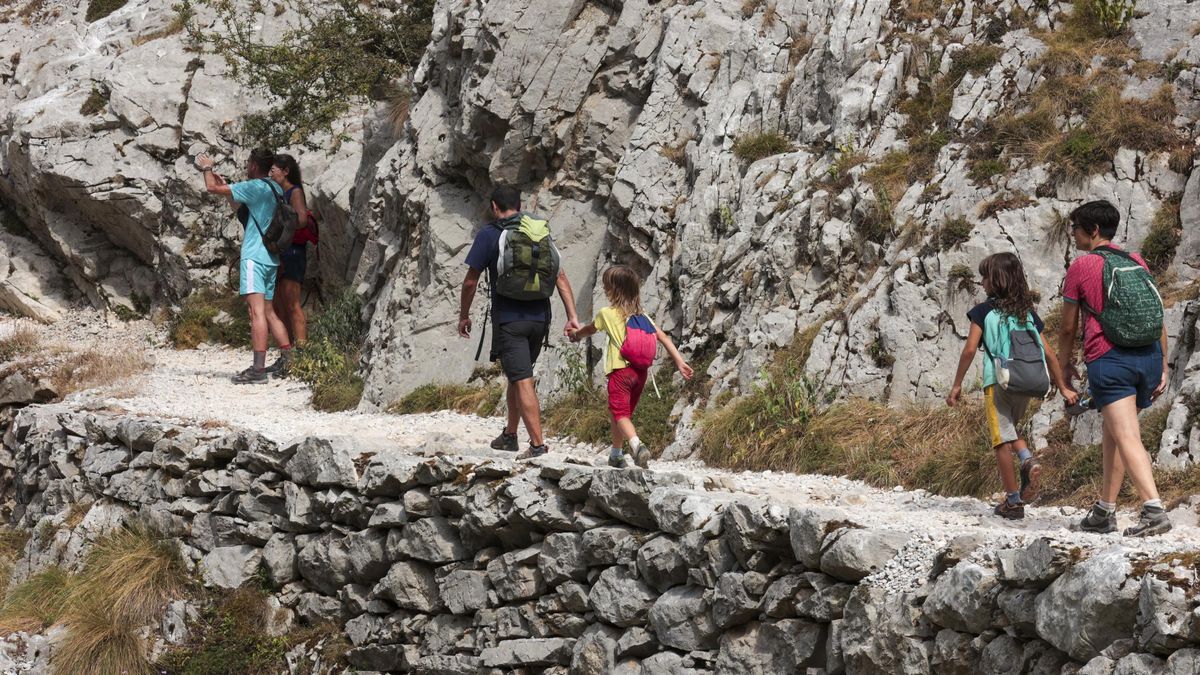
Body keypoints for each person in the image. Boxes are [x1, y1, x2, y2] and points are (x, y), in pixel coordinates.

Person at [1058, 200, 1171, 537]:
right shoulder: (1136, 261)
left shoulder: (1082, 266)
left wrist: (1063, 367)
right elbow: (1156, 313)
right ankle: (1104, 510)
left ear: (1093, 231)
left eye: (1076, 228)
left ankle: (1154, 510)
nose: (1073, 234)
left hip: (1111, 360)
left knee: (1126, 435)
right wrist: (1162, 364)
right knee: (1115, 431)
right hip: (1147, 357)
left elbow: (1066, 328)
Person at [947, 252, 1075, 520]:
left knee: (1000, 441)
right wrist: (1062, 387)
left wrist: (957, 384)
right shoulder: (1027, 313)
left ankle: (1013, 500)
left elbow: (970, 349)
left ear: (996, 280)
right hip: (1026, 382)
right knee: (1010, 431)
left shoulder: (983, 312)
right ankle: (1027, 460)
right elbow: (1049, 352)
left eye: (984, 276)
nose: (981, 282)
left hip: (999, 382)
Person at [457, 185, 582, 460]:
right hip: (541, 320)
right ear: (521, 204)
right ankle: (510, 435)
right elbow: (560, 277)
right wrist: (573, 317)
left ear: (494, 206)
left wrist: (464, 315)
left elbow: (470, 281)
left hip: (511, 321)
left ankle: (537, 445)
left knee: (523, 380)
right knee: (517, 376)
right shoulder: (537, 233)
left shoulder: (490, 235)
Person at [568, 265, 693, 468]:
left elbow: (589, 330)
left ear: (613, 290)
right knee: (620, 414)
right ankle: (616, 454)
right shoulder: (642, 317)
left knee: (620, 414)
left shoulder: (606, 314)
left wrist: (575, 335)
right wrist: (679, 361)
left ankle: (637, 446)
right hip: (640, 374)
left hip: (620, 372)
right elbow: (663, 337)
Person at [196, 149, 293, 384]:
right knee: (269, 311)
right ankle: (289, 359)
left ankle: (258, 371)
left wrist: (207, 168)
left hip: (254, 257)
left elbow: (210, 188)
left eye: (249, 162)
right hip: (271, 257)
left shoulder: (255, 186)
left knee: (256, 313)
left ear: (253, 165)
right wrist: (229, 190)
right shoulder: (275, 188)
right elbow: (243, 213)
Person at [268, 153, 314, 350]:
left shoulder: (294, 192)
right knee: (279, 306)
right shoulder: (277, 193)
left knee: (292, 304)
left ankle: (302, 351)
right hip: (280, 252)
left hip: (293, 252)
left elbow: (302, 219)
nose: (270, 174)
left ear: (285, 172)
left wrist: (283, 224)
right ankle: (287, 353)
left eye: (273, 170)